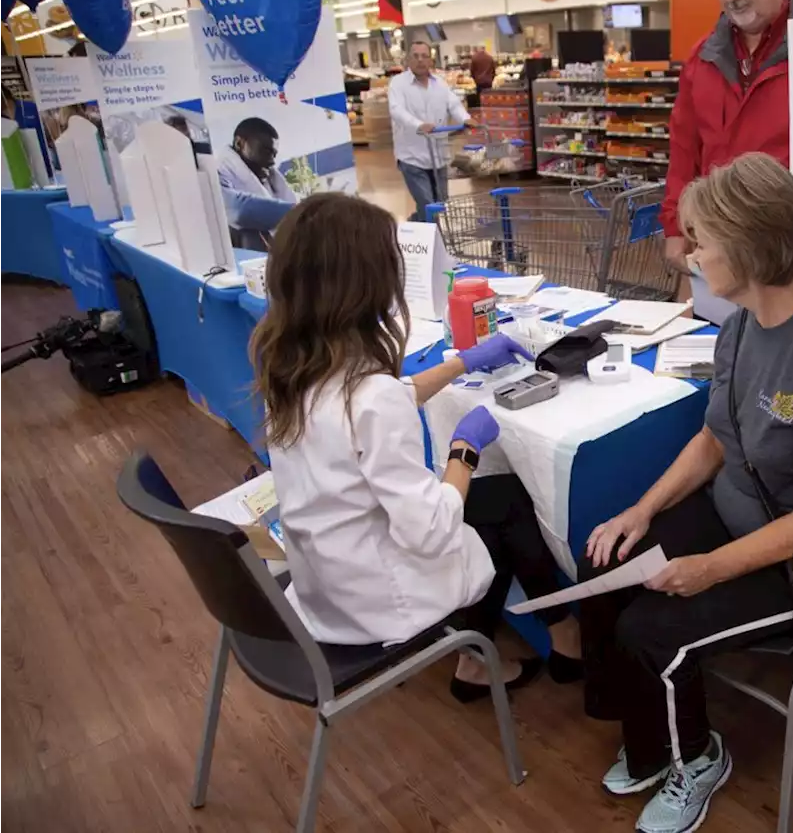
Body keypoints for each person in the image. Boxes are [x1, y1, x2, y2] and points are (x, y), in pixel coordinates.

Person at [578, 153, 793, 833]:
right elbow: (715, 439)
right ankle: (650, 740)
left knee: (654, 630)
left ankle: (699, 759)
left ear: (748, 248)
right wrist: (642, 510)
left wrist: (709, 569)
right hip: (733, 518)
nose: (687, 254)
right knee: (599, 561)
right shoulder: (741, 323)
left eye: (701, 240)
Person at [249, 192, 582, 702]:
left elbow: (367, 409)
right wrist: (464, 450)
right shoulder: (370, 396)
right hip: (380, 603)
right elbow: (430, 530)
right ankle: (505, 647)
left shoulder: (290, 372)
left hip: (325, 588)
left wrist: (462, 363)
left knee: (499, 499)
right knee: (503, 499)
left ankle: (537, 641)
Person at [659, 0, 793, 285]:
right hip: (716, 245)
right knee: (719, 330)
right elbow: (684, 150)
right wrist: (674, 226)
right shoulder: (702, 58)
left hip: (790, 249)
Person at [389, 41, 473, 221]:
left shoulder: (440, 84)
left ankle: (412, 226)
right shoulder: (398, 83)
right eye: (415, 56)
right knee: (428, 205)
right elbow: (396, 110)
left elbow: (454, 105)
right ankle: (432, 245)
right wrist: (418, 125)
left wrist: (465, 119)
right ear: (408, 59)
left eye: (424, 56)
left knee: (441, 203)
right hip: (412, 157)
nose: (420, 60)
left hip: (438, 155)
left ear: (431, 60)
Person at [217, 117, 298, 252]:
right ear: (239, 144)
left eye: (274, 154)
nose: (272, 162)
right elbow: (237, 210)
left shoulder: (271, 181)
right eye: (266, 151)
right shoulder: (217, 172)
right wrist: (302, 213)